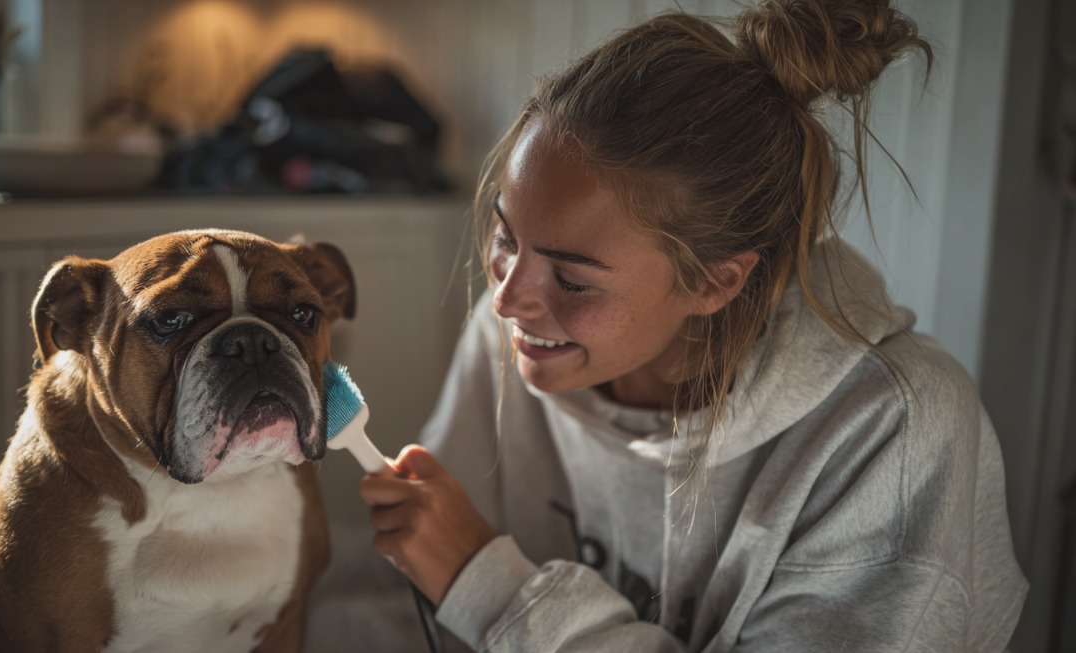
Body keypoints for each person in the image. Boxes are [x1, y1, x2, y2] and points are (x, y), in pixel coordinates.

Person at [353, 1, 1029, 651]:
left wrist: (486, 586)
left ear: (714, 281)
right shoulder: (526, 332)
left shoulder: (892, 429)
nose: (505, 298)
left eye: (572, 279)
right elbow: (401, 606)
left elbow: (465, 586)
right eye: (506, 237)